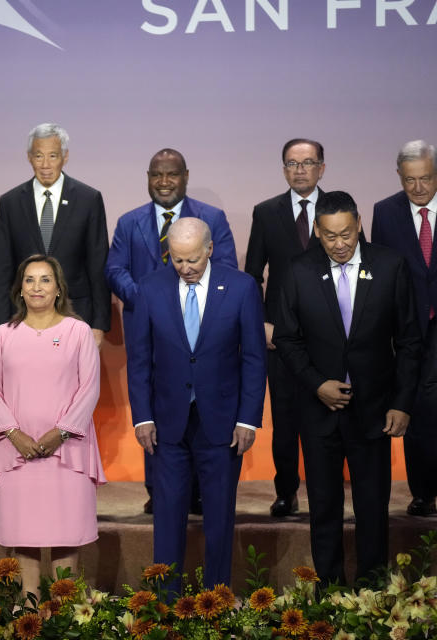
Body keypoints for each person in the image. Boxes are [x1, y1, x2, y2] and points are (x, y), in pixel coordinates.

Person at [275, 191, 421, 585]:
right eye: (329, 237)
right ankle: (330, 592)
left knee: (373, 506)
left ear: (358, 223)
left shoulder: (391, 266)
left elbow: (409, 341)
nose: (339, 244)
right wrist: (316, 383)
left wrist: (402, 402)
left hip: (374, 410)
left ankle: (372, 591)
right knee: (324, 506)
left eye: (346, 234)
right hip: (318, 409)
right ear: (317, 234)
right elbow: (287, 340)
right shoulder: (299, 269)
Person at [126, 217, 266, 595]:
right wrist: (143, 417)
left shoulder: (241, 288)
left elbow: (253, 358)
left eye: (193, 260)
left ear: (210, 250)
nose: (185, 269)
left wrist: (248, 420)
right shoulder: (151, 288)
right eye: (177, 260)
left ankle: (217, 598)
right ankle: (167, 602)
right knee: (167, 517)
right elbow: (139, 359)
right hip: (167, 422)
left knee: (219, 517)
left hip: (222, 423)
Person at [106, 147, 238, 514]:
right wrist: (153, 302)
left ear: (186, 176)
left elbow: (225, 266)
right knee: (156, 408)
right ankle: (158, 490)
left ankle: (199, 489)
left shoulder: (212, 218)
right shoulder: (129, 222)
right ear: (148, 177)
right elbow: (115, 270)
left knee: (201, 404)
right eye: (156, 174)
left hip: (203, 334)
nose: (164, 182)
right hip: (150, 335)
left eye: (172, 174)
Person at [0, 254, 105, 596]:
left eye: (45, 279)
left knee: (66, 532)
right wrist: (14, 433)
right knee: (25, 533)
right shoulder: (4, 335)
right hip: (16, 451)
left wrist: (61, 432)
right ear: (19, 290)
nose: (37, 287)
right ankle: (30, 605)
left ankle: (64, 610)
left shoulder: (77, 331)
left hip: (68, 450)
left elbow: (89, 387)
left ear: (58, 289)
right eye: (30, 280)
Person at [244, 138, 328, 518]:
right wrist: (261, 322)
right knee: (285, 420)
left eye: (308, 163)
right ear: (284, 170)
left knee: (326, 418)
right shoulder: (266, 212)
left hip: (329, 336)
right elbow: (252, 275)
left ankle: (325, 493)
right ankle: (286, 491)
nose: (300, 170)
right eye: (292, 164)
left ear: (321, 168)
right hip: (280, 336)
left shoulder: (337, 208)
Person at [0, 123, 110, 347]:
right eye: (39, 156)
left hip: (77, 313)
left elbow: (98, 264)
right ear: (29, 157)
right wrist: (4, 324)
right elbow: (3, 269)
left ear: (65, 157)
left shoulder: (88, 199)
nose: (45, 165)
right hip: (24, 315)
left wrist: (99, 323)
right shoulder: (11, 202)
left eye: (53, 155)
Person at [370, 140, 437, 517]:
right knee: (412, 401)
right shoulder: (386, 211)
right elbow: (382, 269)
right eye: (410, 180)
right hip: (408, 322)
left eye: (425, 178)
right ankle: (423, 490)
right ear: (399, 176)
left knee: (428, 397)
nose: (418, 187)